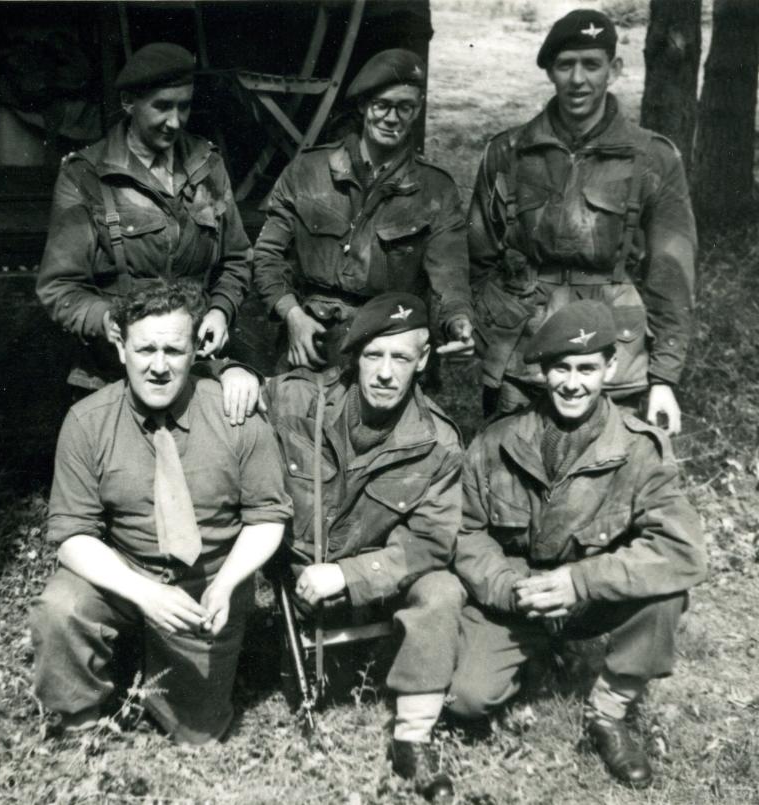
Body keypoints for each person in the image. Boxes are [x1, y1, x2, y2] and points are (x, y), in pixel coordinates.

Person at [446, 300, 707, 788]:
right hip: (518, 598)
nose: (572, 383)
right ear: (543, 371)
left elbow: (682, 550)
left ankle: (608, 713)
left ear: (610, 367)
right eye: (560, 368)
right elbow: (464, 529)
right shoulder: (496, 441)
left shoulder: (639, 447)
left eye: (587, 368)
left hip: (591, 602)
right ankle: (539, 657)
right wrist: (508, 586)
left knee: (666, 592)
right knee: (467, 700)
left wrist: (580, 582)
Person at [223, 292, 466, 801]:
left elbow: (430, 539)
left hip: (375, 575)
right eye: (373, 355)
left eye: (400, 358)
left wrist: (349, 576)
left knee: (442, 589)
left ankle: (413, 739)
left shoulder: (438, 441)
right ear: (354, 356)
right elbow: (226, 405)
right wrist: (231, 371)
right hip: (292, 562)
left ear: (423, 360)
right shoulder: (297, 399)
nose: (384, 372)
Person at [30, 280, 292, 745]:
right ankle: (79, 718)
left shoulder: (238, 415)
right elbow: (73, 535)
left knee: (198, 734)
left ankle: (153, 668)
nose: (158, 366)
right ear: (121, 348)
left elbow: (267, 517)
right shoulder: (88, 421)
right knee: (62, 606)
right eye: (145, 348)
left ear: (196, 351)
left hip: (207, 583)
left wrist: (229, 583)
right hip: (126, 574)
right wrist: (145, 593)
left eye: (173, 350)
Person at [466, 9, 697, 433]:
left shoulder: (653, 158)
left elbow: (672, 273)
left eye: (591, 64)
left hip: (613, 364)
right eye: (565, 65)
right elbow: (478, 258)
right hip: (523, 358)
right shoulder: (508, 152)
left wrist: (664, 378)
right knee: (510, 478)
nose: (577, 80)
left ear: (615, 69)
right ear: (550, 72)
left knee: (604, 482)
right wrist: (491, 336)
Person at [36, 42, 253, 394]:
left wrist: (220, 310)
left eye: (184, 106)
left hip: (193, 368)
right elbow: (59, 288)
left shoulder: (207, 165)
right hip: (113, 374)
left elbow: (237, 259)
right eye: (162, 107)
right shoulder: (87, 176)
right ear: (128, 103)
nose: (175, 121)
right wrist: (106, 320)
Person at [254, 48, 473, 372]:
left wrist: (458, 320)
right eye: (382, 105)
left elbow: (450, 275)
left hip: (391, 337)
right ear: (362, 105)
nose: (392, 118)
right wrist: (292, 315)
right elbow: (267, 255)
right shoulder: (307, 170)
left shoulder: (435, 190)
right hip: (314, 338)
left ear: (418, 110)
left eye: (405, 107)